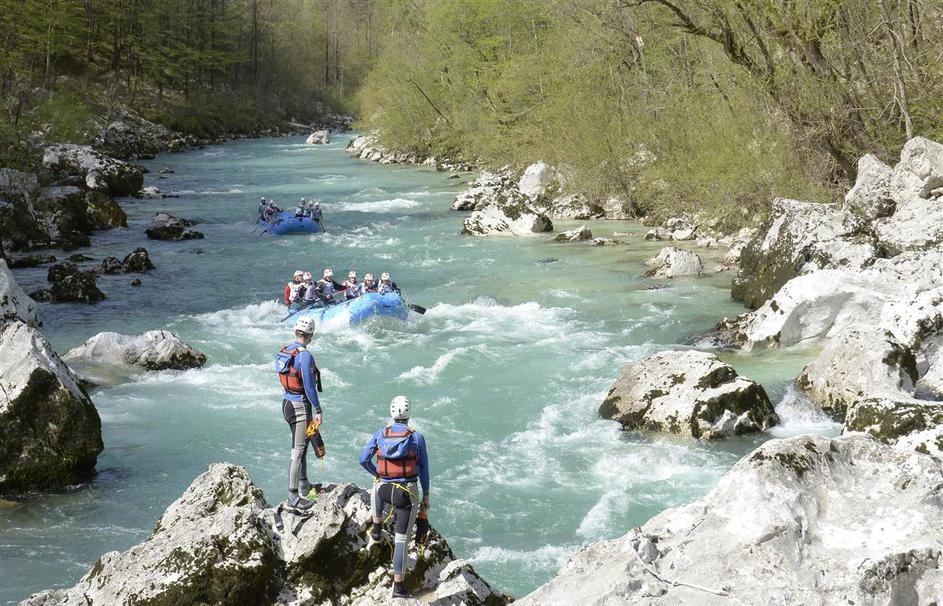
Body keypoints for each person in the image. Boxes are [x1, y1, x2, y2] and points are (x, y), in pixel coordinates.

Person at [359, 396, 430, 599]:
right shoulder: (417, 438)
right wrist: (426, 496)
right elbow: (424, 469)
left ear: (391, 413)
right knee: (401, 540)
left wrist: (377, 473)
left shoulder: (381, 433)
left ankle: (377, 526)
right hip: (405, 494)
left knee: (377, 482)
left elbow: (363, 459)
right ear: (409, 414)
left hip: (384, 491)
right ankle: (398, 587)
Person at [275, 317, 323, 510]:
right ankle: (292, 496)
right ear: (311, 335)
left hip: (287, 403)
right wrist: (318, 410)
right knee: (298, 451)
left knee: (302, 443)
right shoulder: (305, 356)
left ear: (296, 332)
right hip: (299, 406)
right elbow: (310, 388)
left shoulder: (285, 351)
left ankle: (304, 484)